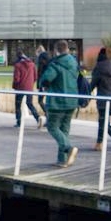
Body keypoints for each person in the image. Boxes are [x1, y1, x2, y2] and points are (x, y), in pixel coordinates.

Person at [38, 39, 79, 168]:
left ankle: (68, 148)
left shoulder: (55, 64)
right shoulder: (73, 62)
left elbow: (45, 80)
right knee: (64, 130)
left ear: (56, 51)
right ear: (67, 49)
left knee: (52, 127)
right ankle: (63, 159)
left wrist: (42, 82)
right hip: (72, 101)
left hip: (57, 102)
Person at [12, 51, 41, 128]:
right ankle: (38, 118)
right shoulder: (32, 64)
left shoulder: (17, 65)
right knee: (30, 104)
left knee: (18, 105)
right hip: (29, 88)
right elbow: (35, 77)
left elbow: (16, 79)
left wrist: (14, 86)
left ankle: (19, 122)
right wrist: (31, 84)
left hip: (20, 88)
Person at [34, 45, 50, 125]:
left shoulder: (41, 58)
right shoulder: (48, 58)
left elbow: (39, 72)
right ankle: (48, 117)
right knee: (47, 100)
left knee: (40, 101)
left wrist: (39, 85)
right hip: (48, 83)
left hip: (43, 83)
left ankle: (48, 116)